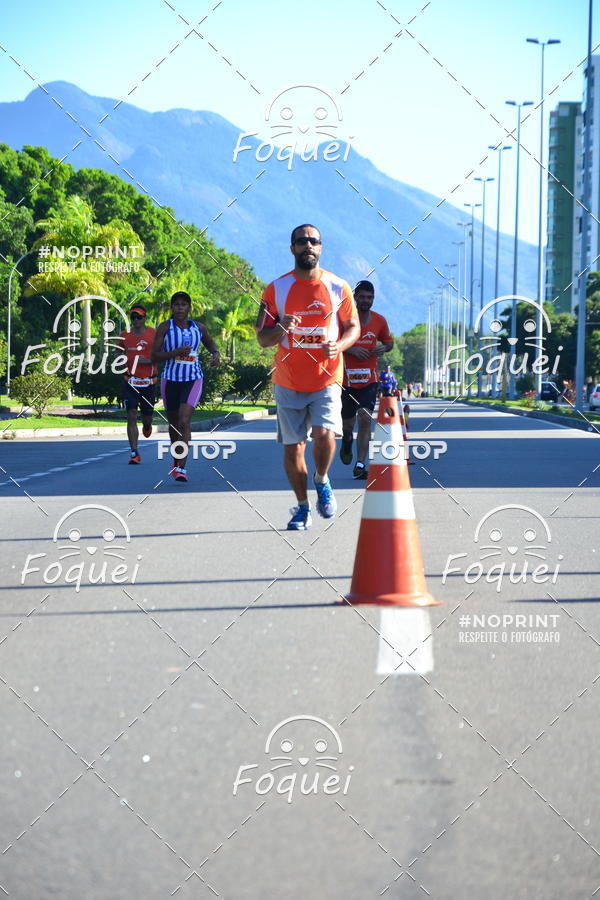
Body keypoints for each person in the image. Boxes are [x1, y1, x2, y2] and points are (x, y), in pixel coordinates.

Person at [257, 224, 360, 530]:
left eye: (313, 241)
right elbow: (263, 338)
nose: (307, 246)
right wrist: (281, 329)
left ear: (321, 247)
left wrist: (339, 345)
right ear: (292, 249)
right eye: (301, 242)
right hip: (288, 381)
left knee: (326, 436)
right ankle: (302, 508)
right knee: (294, 448)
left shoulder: (339, 287)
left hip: (326, 378)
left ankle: (322, 478)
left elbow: (353, 326)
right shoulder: (275, 289)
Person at [152, 291, 220, 482]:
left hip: (193, 379)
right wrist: (174, 352)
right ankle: (177, 458)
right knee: (174, 424)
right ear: (172, 308)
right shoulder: (165, 327)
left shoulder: (199, 327)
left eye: (183, 304)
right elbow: (154, 356)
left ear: (189, 308)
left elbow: (210, 344)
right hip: (170, 379)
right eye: (176, 304)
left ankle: (182, 467)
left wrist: (215, 354)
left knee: (183, 421)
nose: (180, 308)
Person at [339, 281, 393, 478]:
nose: (365, 301)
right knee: (347, 425)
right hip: (346, 381)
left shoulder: (379, 320)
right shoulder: (343, 319)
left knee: (365, 418)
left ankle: (360, 464)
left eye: (369, 297)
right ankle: (346, 442)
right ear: (355, 298)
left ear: (373, 299)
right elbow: (333, 343)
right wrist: (351, 348)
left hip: (370, 380)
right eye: (362, 297)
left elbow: (389, 342)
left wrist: (384, 348)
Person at [119, 304, 157, 465]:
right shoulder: (124, 335)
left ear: (145, 318)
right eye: (133, 317)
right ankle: (134, 452)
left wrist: (148, 361)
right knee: (131, 415)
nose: (136, 320)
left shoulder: (153, 334)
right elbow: (118, 351)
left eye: (139, 317)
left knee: (146, 417)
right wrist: (120, 361)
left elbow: (161, 354)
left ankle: (147, 425)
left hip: (149, 381)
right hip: (131, 381)